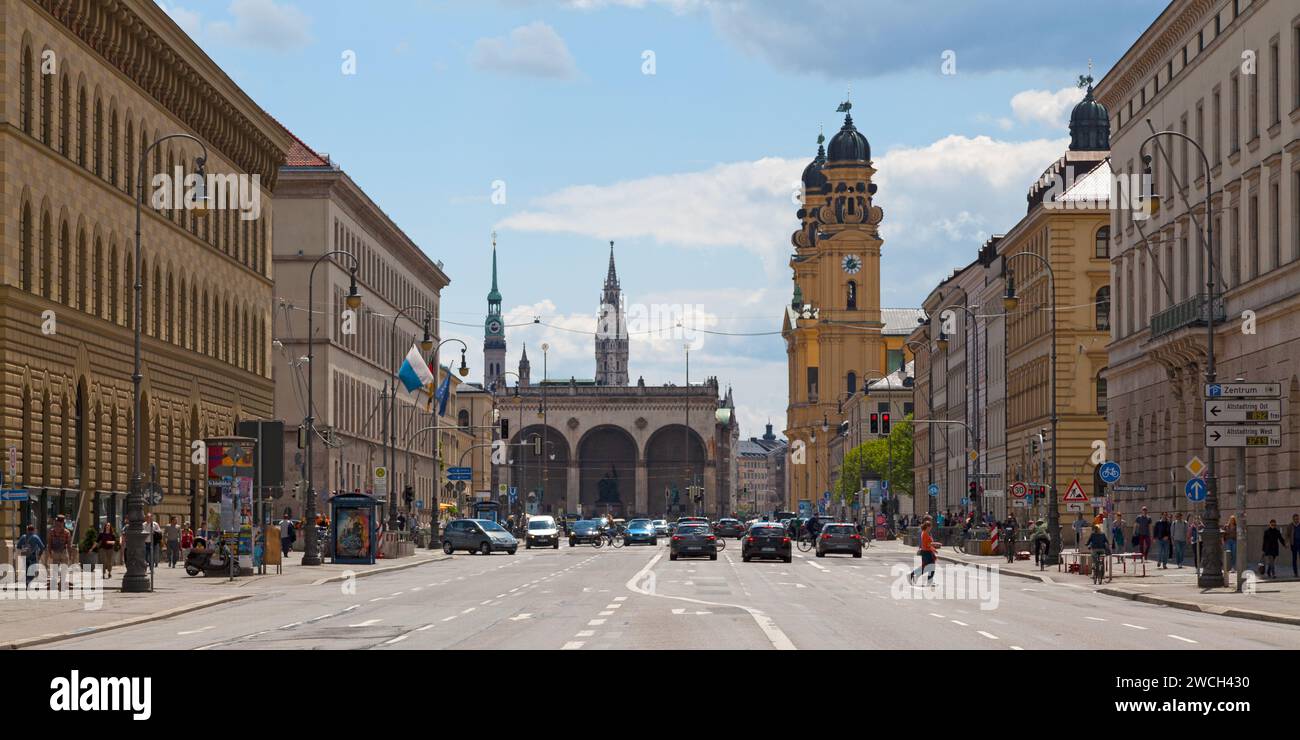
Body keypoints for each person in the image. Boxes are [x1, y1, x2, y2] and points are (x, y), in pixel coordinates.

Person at [46, 514, 74, 591]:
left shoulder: (51, 531)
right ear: (63, 522)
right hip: (64, 552)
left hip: (55, 552)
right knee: (64, 569)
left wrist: (49, 553)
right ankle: (61, 584)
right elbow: (69, 545)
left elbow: (49, 543)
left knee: (55, 569)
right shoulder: (67, 532)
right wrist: (70, 554)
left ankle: (54, 584)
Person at [908, 520, 939, 586]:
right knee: (927, 567)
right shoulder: (924, 533)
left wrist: (933, 549)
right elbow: (927, 544)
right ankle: (912, 575)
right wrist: (935, 544)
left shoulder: (926, 533)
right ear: (927, 527)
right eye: (930, 526)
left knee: (928, 567)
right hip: (926, 552)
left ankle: (913, 575)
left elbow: (928, 544)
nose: (931, 528)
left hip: (927, 552)